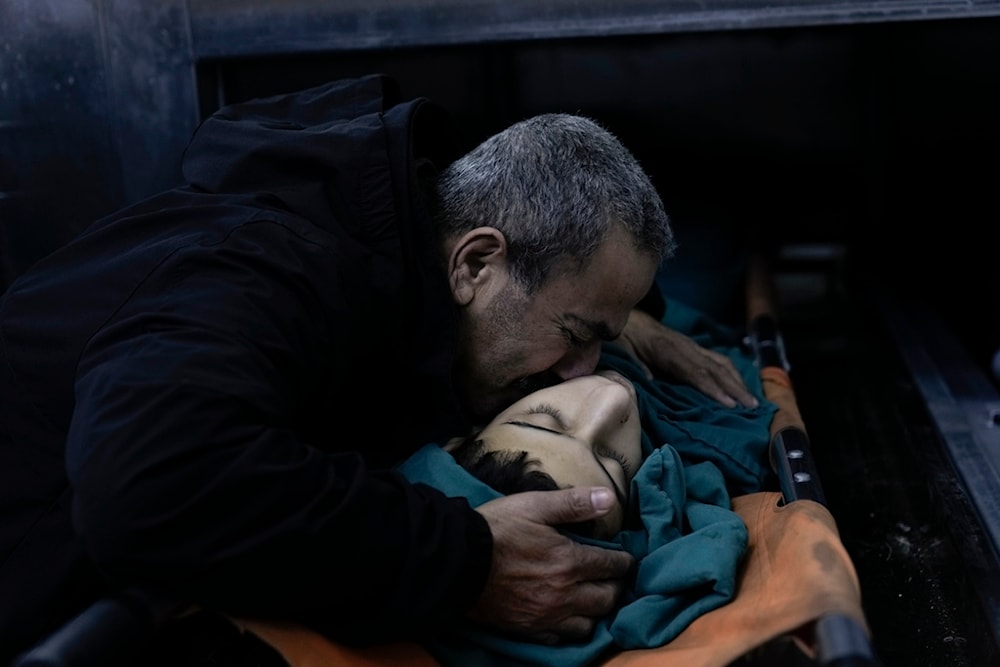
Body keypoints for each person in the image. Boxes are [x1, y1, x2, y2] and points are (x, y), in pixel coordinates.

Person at [0, 73, 756, 662]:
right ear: (476, 261)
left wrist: (629, 321)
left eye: (604, 342)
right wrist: (464, 565)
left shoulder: (405, 257)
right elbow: (149, 480)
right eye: (576, 333)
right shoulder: (264, 269)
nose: (587, 377)